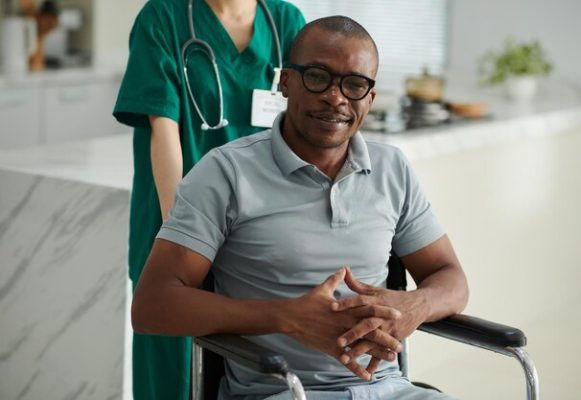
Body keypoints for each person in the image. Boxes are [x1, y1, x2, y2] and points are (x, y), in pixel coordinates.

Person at [132, 15, 469, 400]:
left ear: (370, 99)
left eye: (355, 84)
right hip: (284, 393)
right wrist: (287, 317)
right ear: (285, 82)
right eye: (317, 77)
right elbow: (151, 305)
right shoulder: (225, 173)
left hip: (388, 389)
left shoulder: (392, 169)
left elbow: (451, 278)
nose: (336, 97)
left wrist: (416, 305)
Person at [113, 0, 305, 398]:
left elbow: (301, 130)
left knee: (250, 369)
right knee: (174, 374)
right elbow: (164, 131)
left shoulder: (286, 22)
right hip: (176, 224)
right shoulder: (162, 17)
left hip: (257, 234)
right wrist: (182, 241)